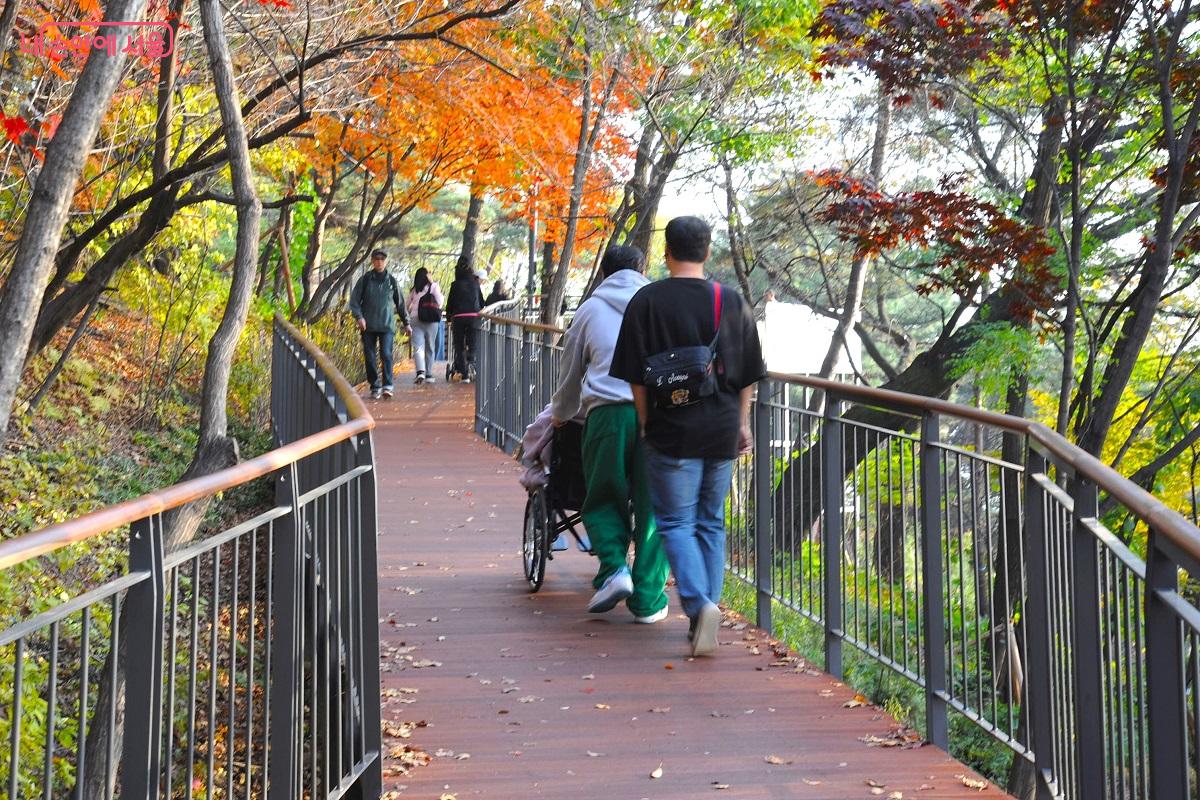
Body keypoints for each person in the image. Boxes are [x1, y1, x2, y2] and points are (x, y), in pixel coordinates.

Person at [610, 216, 766, 656]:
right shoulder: (730, 301)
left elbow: (636, 376)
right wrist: (742, 423)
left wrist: (644, 421)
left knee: (675, 521)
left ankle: (699, 607)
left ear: (666, 253)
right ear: (708, 251)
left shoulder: (647, 301)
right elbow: (748, 373)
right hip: (720, 428)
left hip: (670, 427)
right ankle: (706, 611)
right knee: (709, 521)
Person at [551, 246, 669, 624]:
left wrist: (562, 414)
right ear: (642, 268)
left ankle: (615, 570)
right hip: (657, 415)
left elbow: (571, 369)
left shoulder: (590, 309)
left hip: (606, 415)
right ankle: (649, 599)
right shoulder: (660, 306)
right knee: (655, 507)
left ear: (603, 273)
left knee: (602, 496)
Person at [349, 249, 410, 399]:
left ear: (386, 261)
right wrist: (359, 317)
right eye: (376, 259)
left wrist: (406, 323)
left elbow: (401, 304)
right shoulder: (365, 280)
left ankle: (387, 385)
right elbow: (354, 301)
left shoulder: (392, 281)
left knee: (386, 354)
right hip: (368, 325)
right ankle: (375, 385)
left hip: (386, 325)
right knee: (369, 356)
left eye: (382, 259)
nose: (379, 262)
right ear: (372, 261)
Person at [445, 258, 485, 382]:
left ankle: (464, 374)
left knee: (459, 346)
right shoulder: (475, 284)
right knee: (472, 343)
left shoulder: (455, 285)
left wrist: (448, 318)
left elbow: (450, 304)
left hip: (458, 318)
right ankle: (471, 364)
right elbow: (482, 302)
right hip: (473, 316)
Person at [406, 267, 444, 385]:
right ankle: (428, 373)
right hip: (432, 320)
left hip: (416, 319)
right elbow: (440, 302)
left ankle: (420, 372)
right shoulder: (433, 287)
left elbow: (406, 306)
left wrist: (408, 317)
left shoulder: (414, 290)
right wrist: (432, 283)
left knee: (418, 347)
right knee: (430, 346)